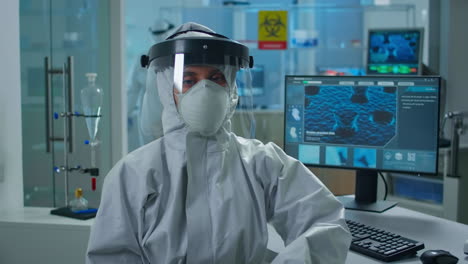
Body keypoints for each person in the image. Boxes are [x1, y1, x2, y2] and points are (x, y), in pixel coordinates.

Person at [86, 22, 351, 263]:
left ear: (231, 89)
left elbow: (325, 223)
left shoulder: (263, 163)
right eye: (189, 80)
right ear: (168, 90)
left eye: (215, 78)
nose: (204, 91)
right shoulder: (132, 174)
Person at [127, 19, 174, 151]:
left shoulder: (176, 56)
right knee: (151, 154)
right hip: (149, 113)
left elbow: (133, 89)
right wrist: (126, 114)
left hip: (168, 114)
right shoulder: (143, 57)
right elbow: (133, 89)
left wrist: (127, 113)